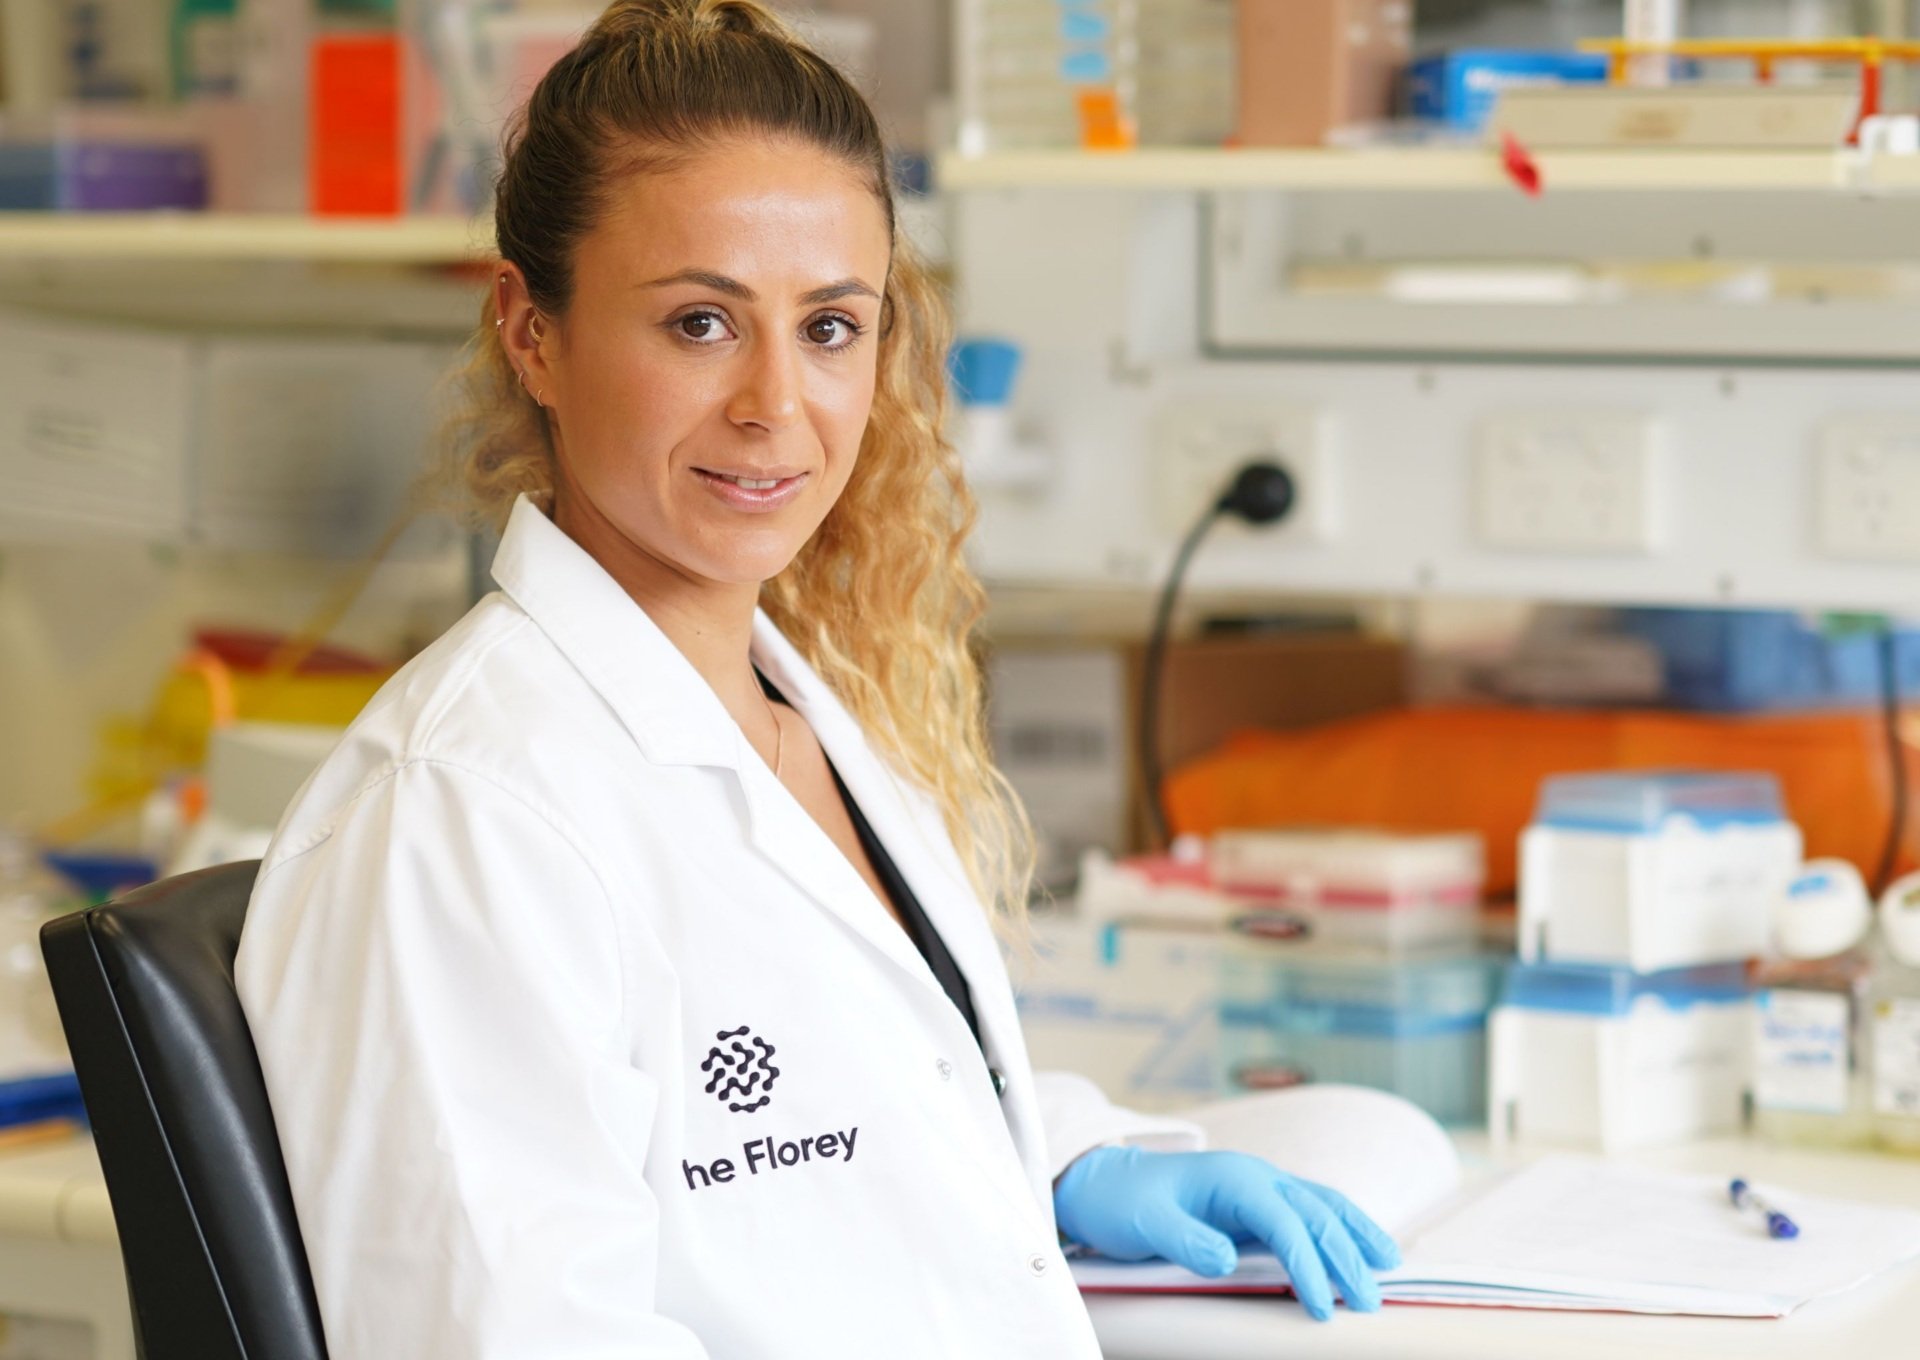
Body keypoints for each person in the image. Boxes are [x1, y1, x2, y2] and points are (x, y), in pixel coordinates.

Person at [233, 2, 1400, 1355]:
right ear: (530, 333)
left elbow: (815, 1106)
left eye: (832, 327)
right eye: (700, 324)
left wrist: (1068, 1161)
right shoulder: (464, 814)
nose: (776, 406)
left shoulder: (794, 708)